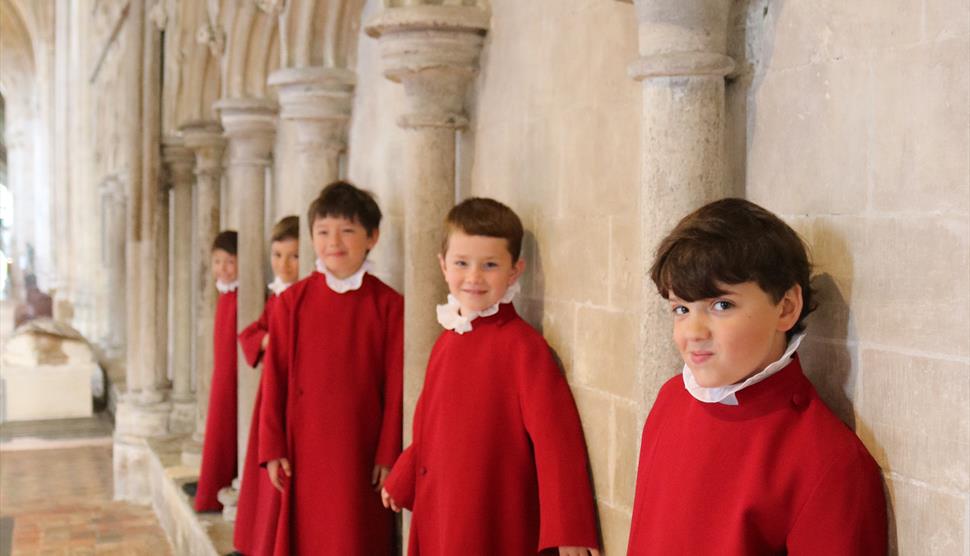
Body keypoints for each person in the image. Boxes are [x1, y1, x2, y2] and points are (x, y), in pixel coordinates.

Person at [626, 198, 887, 555]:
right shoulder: (672, 399)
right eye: (681, 309)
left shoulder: (828, 460)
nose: (693, 332)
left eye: (722, 305)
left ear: (786, 307)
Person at [381, 197, 600, 556]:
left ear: (515, 271)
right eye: (462, 263)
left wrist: (569, 527)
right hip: (440, 507)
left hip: (490, 513)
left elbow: (556, 443)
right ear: (443, 266)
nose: (473, 277)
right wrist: (405, 474)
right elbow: (429, 426)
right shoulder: (446, 341)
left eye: (490, 265)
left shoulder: (522, 347)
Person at [259, 182, 403, 555]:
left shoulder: (389, 305)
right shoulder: (291, 302)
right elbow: (274, 378)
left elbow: (397, 385)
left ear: (372, 237)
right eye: (323, 232)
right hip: (303, 448)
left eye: (348, 231)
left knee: (356, 536)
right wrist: (272, 447)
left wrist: (388, 453)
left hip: (361, 449)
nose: (333, 242)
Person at [234, 215, 299, 556]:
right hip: (271, 393)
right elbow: (252, 332)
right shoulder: (277, 296)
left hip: (294, 395)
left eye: (293, 256)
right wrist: (268, 341)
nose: (284, 265)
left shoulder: (300, 299)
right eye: (277, 255)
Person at [194, 230, 240, 512]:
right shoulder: (225, 295)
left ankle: (216, 488)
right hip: (222, 374)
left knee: (225, 430)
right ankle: (210, 485)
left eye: (230, 261)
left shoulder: (240, 298)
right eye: (217, 261)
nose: (222, 268)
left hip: (234, 378)